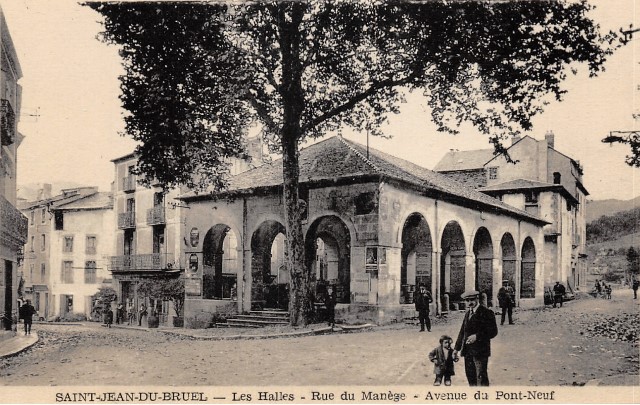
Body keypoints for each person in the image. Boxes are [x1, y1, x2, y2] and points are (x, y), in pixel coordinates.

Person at [454, 290, 498, 386]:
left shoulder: (487, 312)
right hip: (467, 352)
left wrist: (477, 336)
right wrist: (456, 349)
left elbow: (493, 331)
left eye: (472, 300)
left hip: (480, 352)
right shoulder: (467, 313)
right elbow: (462, 332)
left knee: (481, 378)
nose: (470, 302)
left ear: (477, 299)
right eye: (467, 300)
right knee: (471, 378)